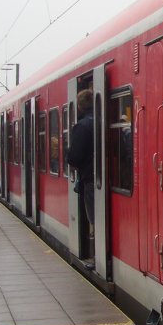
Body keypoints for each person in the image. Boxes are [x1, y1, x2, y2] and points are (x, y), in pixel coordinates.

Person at [66, 89, 95, 261]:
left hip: (90, 179)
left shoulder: (82, 126)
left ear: (80, 106)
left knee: (92, 217)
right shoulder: (103, 120)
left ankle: (94, 254)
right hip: (103, 178)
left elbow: (74, 157)